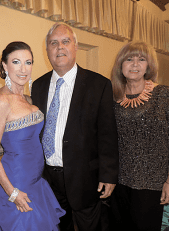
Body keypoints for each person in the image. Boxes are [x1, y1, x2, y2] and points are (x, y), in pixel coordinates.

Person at [31, 23, 119, 231]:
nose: (59, 47)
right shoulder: (38, 86)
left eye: (65, 41)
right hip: (48, 179)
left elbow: (107, 134)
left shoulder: (99, 85)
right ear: (47, 51)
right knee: (57, 226)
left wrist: (108, 175)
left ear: (75, 47)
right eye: (53, 43)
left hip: (84, 179)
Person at [0, 41, 65, 230]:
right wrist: (12, 193)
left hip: (36, 181)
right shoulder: (2, 101)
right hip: (17, 183)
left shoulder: (28, 98)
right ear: (5, 66)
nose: (23, 69)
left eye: (28, 62)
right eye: (16, 62)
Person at [110, 41, 169, 231]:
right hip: (118, 183)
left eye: (141, 59)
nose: (135, 64)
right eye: (129, 59)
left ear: (148, 65)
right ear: (120, 65)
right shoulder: (112, 97)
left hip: (152, 184)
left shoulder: (164, 94)